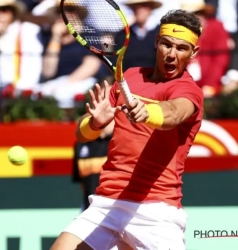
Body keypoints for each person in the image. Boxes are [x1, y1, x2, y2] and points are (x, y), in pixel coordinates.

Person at [51, 9, 204, 250]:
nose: (172, 54)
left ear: (193, 52)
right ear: (157, 43)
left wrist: (148, 113)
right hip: (107, 204)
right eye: (166, 45)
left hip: (155, 211)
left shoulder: (189, 91)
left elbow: (174, 113)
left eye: (181, 48)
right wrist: (95, 122)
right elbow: (81, 134)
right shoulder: (130, 77)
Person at [72, 76, 115, 211]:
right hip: (89, 212)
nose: (103, 104)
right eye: (99, 98)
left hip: (120, 214)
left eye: (108, 98)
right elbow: (83, 185)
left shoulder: (126, 138)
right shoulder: (81, 144)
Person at [182, 0, 230, 98]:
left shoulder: (216, 27)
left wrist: (210, 84)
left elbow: (220, 60)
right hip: (187, 85)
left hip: (211, 86)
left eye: (198, 13)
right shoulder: (183, 32)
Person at [115, 0, 162, 71]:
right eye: (135, 6)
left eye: (143, 6)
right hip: (128, 79)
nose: (138, 10)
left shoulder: (162, 34)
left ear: (151, 8)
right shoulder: (122, 36)